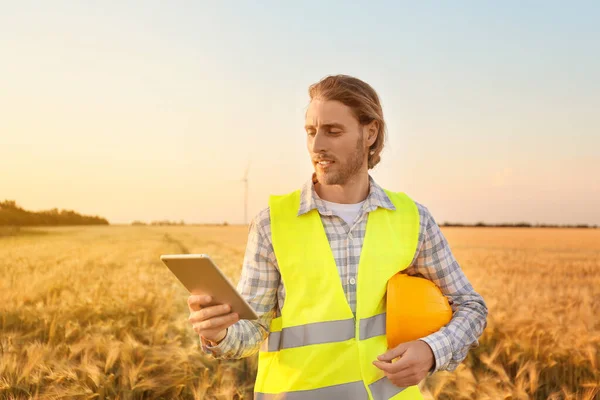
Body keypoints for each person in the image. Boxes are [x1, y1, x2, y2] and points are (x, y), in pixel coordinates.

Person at [187, 74, 488, 399]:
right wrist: (218, 333)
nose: (317, 146)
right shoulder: (270, 224)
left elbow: (471, 307)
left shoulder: (414, 220)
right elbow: (250, 333)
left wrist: (432, 351)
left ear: (370, 133)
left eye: (333, 131)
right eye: (311, 132)